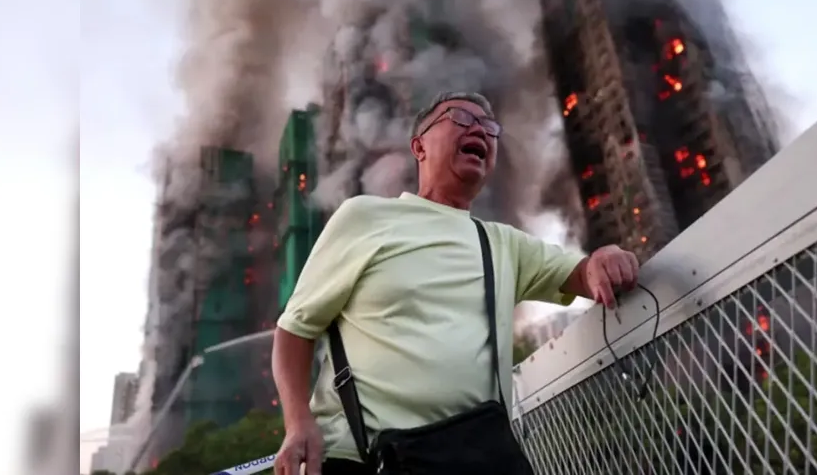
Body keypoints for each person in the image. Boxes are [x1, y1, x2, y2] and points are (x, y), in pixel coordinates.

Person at [271, 91, 640, 475]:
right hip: (364, 460)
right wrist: (298, 423)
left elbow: (579, 273)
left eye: (489, 126)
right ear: (419, 146)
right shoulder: (365, 217)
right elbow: (295, 328)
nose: (480, 127)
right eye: (461, 118)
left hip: (478, 460)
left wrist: (603, 259)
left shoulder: (503, 243)